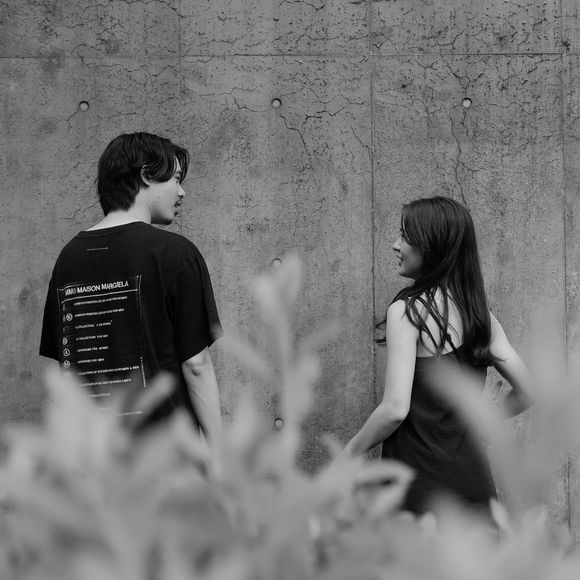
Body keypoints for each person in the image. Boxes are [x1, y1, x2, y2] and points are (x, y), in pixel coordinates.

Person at [342, 196, 532, 515]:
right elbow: (530, 390)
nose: (395, 245)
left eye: (404, 236)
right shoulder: (481, 319)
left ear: (431, 247)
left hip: (418, 487)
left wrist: (347, 455)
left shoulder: (407, 312)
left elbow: (394, 409)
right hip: (473, 486)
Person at [39, 132, 223, 440]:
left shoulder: (68, 258)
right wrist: (220, 452)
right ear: (147, 174)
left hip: (96, 452)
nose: (182, 192)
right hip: (166, 452)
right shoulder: (175, 254)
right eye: (176, 179)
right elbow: (196, 364)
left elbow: (66, 372)